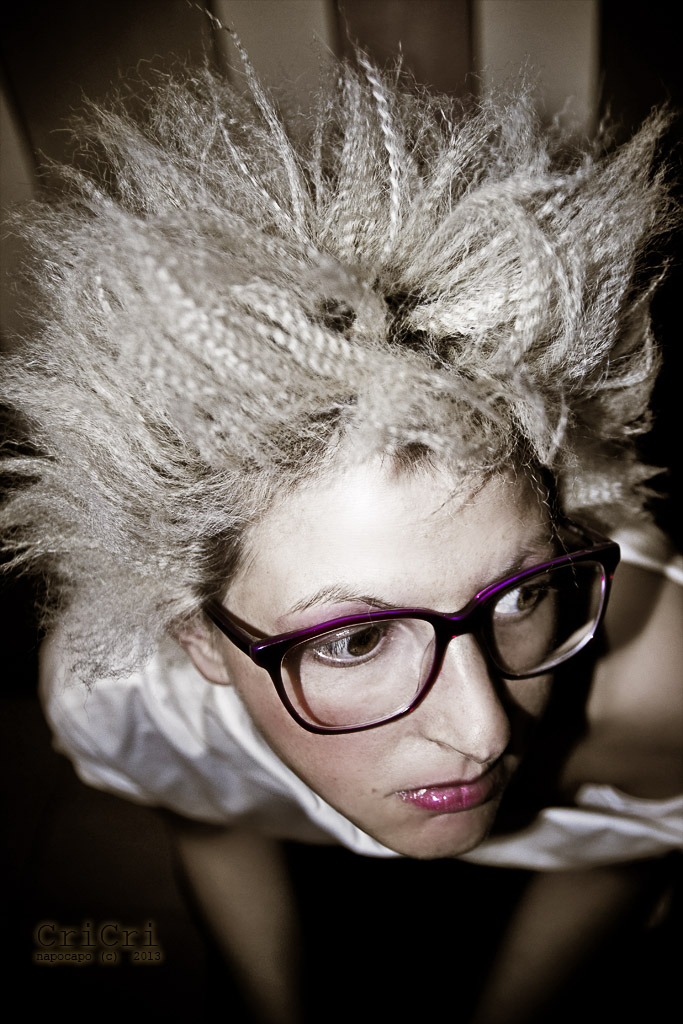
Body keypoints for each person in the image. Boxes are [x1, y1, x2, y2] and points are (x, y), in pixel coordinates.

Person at [1, 49, 681, 1023]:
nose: (485, 731)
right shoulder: (122, 706)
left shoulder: (657, 691)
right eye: (355, 638)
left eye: (523, 592)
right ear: (199, 641)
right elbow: (210, 813)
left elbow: (623, 849)